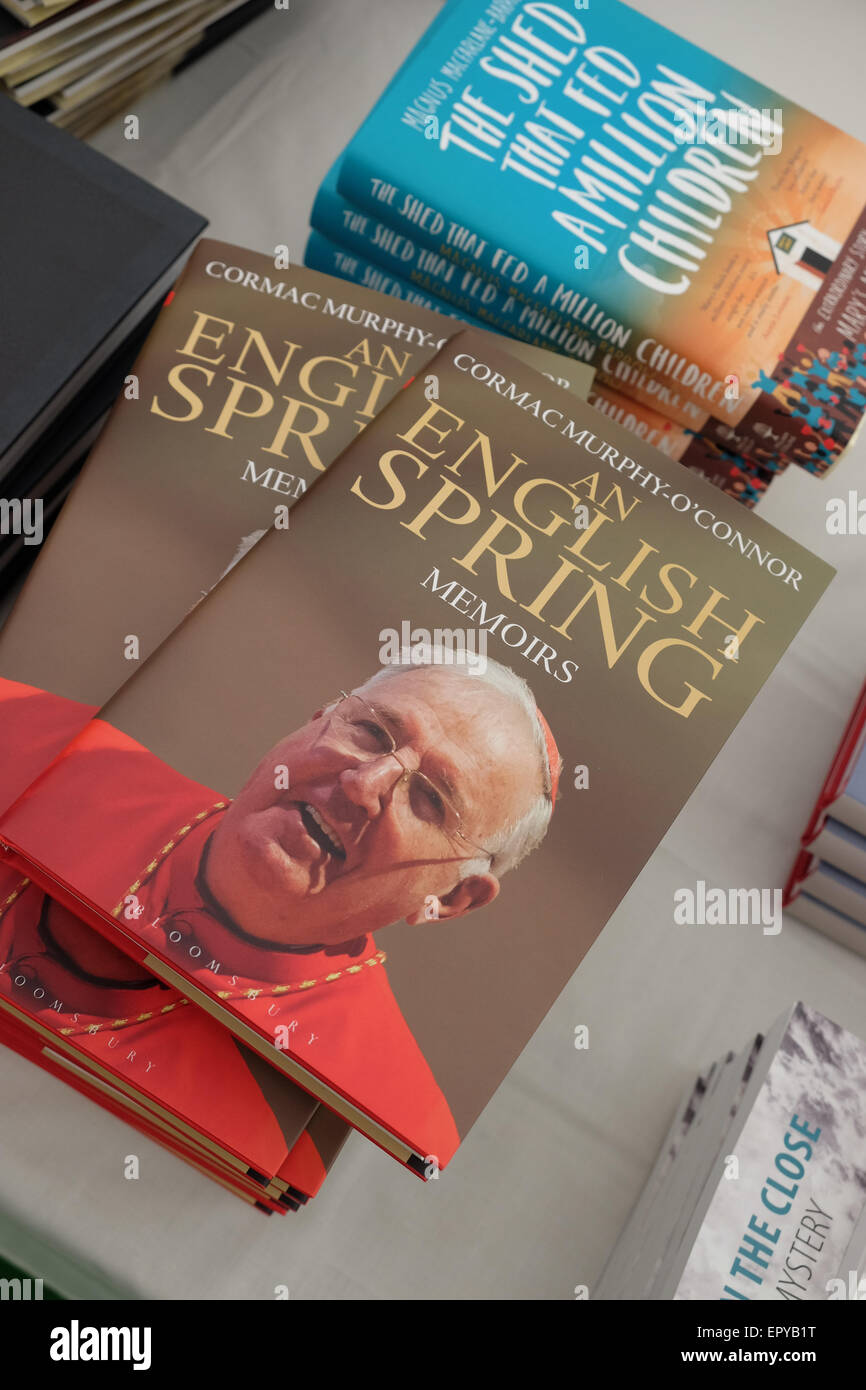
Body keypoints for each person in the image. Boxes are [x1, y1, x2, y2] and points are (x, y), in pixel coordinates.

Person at [4, 652, 561, 1167]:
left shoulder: (397, 1109)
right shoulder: (34, 734)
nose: (364, 785)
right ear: (318, 716)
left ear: (451, 899)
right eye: (370, 732)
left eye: (430, 799)